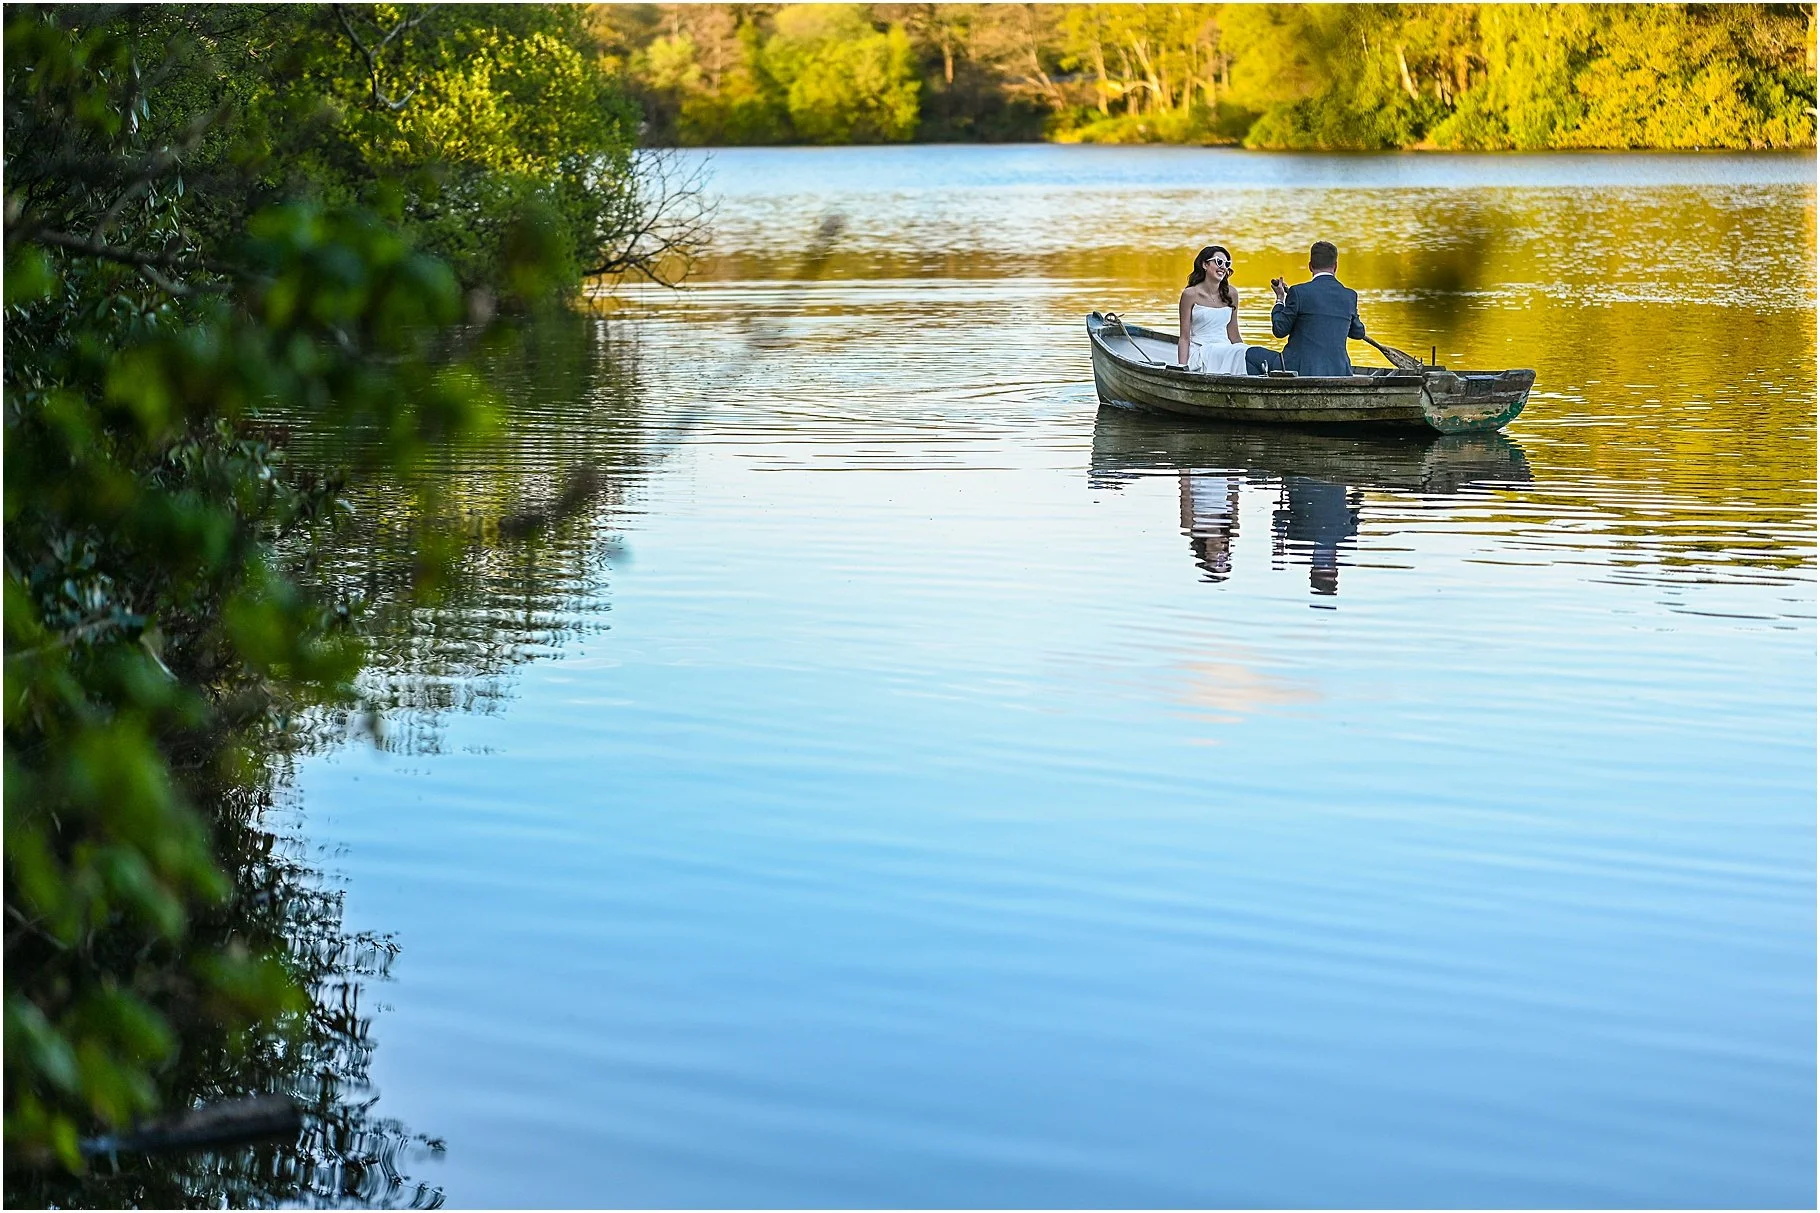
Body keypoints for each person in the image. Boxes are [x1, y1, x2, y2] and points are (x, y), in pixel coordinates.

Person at [1175, 245, 1285, 377]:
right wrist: (1182, 369)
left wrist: (1243, 352)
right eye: (1219, 262)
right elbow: (1184, 337)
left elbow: (1234, 335)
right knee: (1243, 353)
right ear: (1205, 264)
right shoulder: (1190, 294)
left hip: (1226, 350)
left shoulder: (1231, 293)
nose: (1223, 267)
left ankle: (1282, 367)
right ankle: (1282, 364)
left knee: (1247, 353)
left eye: (1226, 264)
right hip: (1202, 352)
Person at [1268, 241, 1366, 378]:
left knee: (1250, 355)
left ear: (1310, 266)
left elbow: (1279, 330)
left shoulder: (1298, 292)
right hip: (1339, 370)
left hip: (1300, 370)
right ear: (1335, 266)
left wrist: (1280, 300)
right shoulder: (1349, 295)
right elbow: (1358, 332)